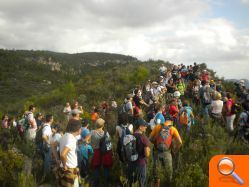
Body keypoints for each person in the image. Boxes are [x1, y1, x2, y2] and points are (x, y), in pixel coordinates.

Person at [149, 117, 182, 185]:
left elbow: (150, 139)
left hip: (157, 152)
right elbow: (180, 142)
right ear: (171, 122)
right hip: (167, 152)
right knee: (169, 172)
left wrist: (156, 143)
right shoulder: (173, 129)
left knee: (157, 173)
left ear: (164, 121)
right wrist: (175, 150)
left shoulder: (158, 127)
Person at [127, 118, 150, 187]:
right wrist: (148, 150)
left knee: (130, 183)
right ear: (140, 127)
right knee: (141, 183)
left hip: (131, 163)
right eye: (144, 126)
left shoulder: (130, 136)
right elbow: (147, 154)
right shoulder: (143, 138)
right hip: (141, 164)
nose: (146, 127)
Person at [59, 119, 82, 187]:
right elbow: (63, 154)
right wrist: (65, 165)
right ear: (77, 129)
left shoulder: (64, 136)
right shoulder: (71, 139)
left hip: (65, 169)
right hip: (70, 169)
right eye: (80, 128)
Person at [91, 118, 113, 187]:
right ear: (103, 125)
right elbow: (109, 144)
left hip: (96, 152)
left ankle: (96, 184)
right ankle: (106, 184)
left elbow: (86, 140)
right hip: (104, 153)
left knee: (96, 169)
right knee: (106, 169)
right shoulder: (106, 133)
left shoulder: (92, 132)